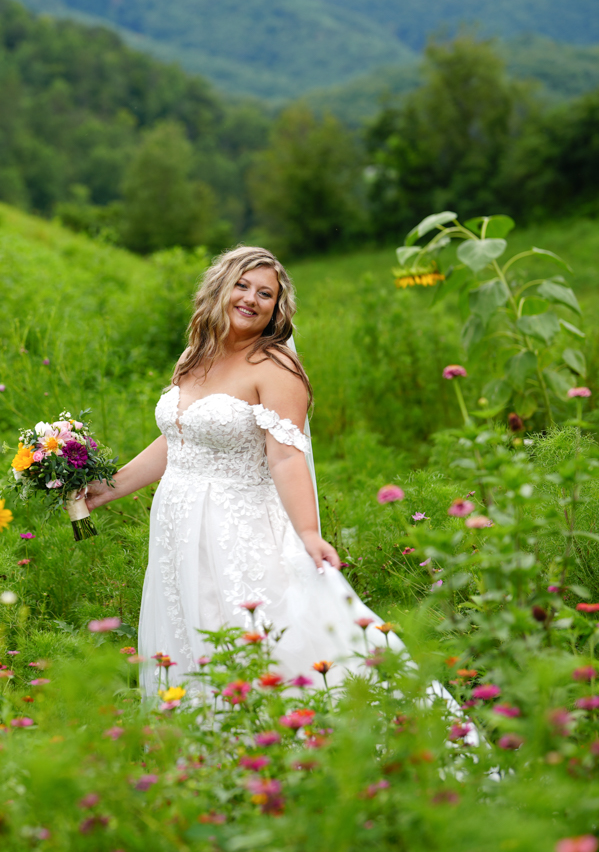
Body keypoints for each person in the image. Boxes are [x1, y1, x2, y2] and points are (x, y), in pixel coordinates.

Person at [83, 245, 410, 694]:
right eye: (242, 286)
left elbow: (286, 455)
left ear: (276, 308)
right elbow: (179, 441)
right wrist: (108, 488)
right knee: (191, 633)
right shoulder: (194, 357)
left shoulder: (275, 367)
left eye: (265, 294)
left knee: (251, 636)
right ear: (220, 288)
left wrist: (309, 534)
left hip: (237, 529)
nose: (251, 299)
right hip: (178, 528)